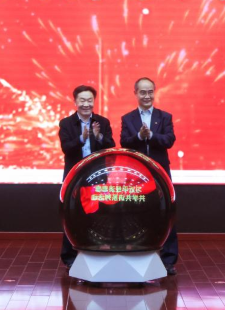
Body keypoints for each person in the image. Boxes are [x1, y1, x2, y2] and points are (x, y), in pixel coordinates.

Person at [120, 77, 178, 275]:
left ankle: (168, 260)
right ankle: (136, 254)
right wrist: (139, 136)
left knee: (165, 213)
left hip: (160, 173)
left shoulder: (165, 117)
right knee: (136, 213)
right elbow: (124, 142)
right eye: (143, 92)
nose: (147, 96)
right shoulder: (128, 118)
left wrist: (151, 136)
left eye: (150, 92)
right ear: (135, 93)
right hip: (136, 174)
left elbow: (169, 140)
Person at [58, 84, 115, 268]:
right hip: (74, 177)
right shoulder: (66, 123)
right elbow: (66, 148)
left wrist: (98, 137)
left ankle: (96, 253)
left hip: (97, 176)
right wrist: (82, 138)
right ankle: (70, 258)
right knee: (72, 215)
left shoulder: (102, 122)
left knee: (98, 217)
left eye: (89, 100)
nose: (86, 104)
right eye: (82, 100)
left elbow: (111, 146)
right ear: (75, 102)